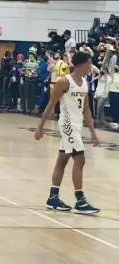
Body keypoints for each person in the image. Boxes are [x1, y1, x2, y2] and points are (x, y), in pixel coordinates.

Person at [34, 52, 100, 215]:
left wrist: (93, 131)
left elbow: (86, 109)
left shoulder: (85, 83)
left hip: (77, 125)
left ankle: (53, 197)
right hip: (67, 124)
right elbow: (51, 104)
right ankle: (80, 200)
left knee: (62, 160)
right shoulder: (64, 81)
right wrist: (40, 126)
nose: (91, 66)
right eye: (89, 63)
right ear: (82, 64)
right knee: (80, 159)